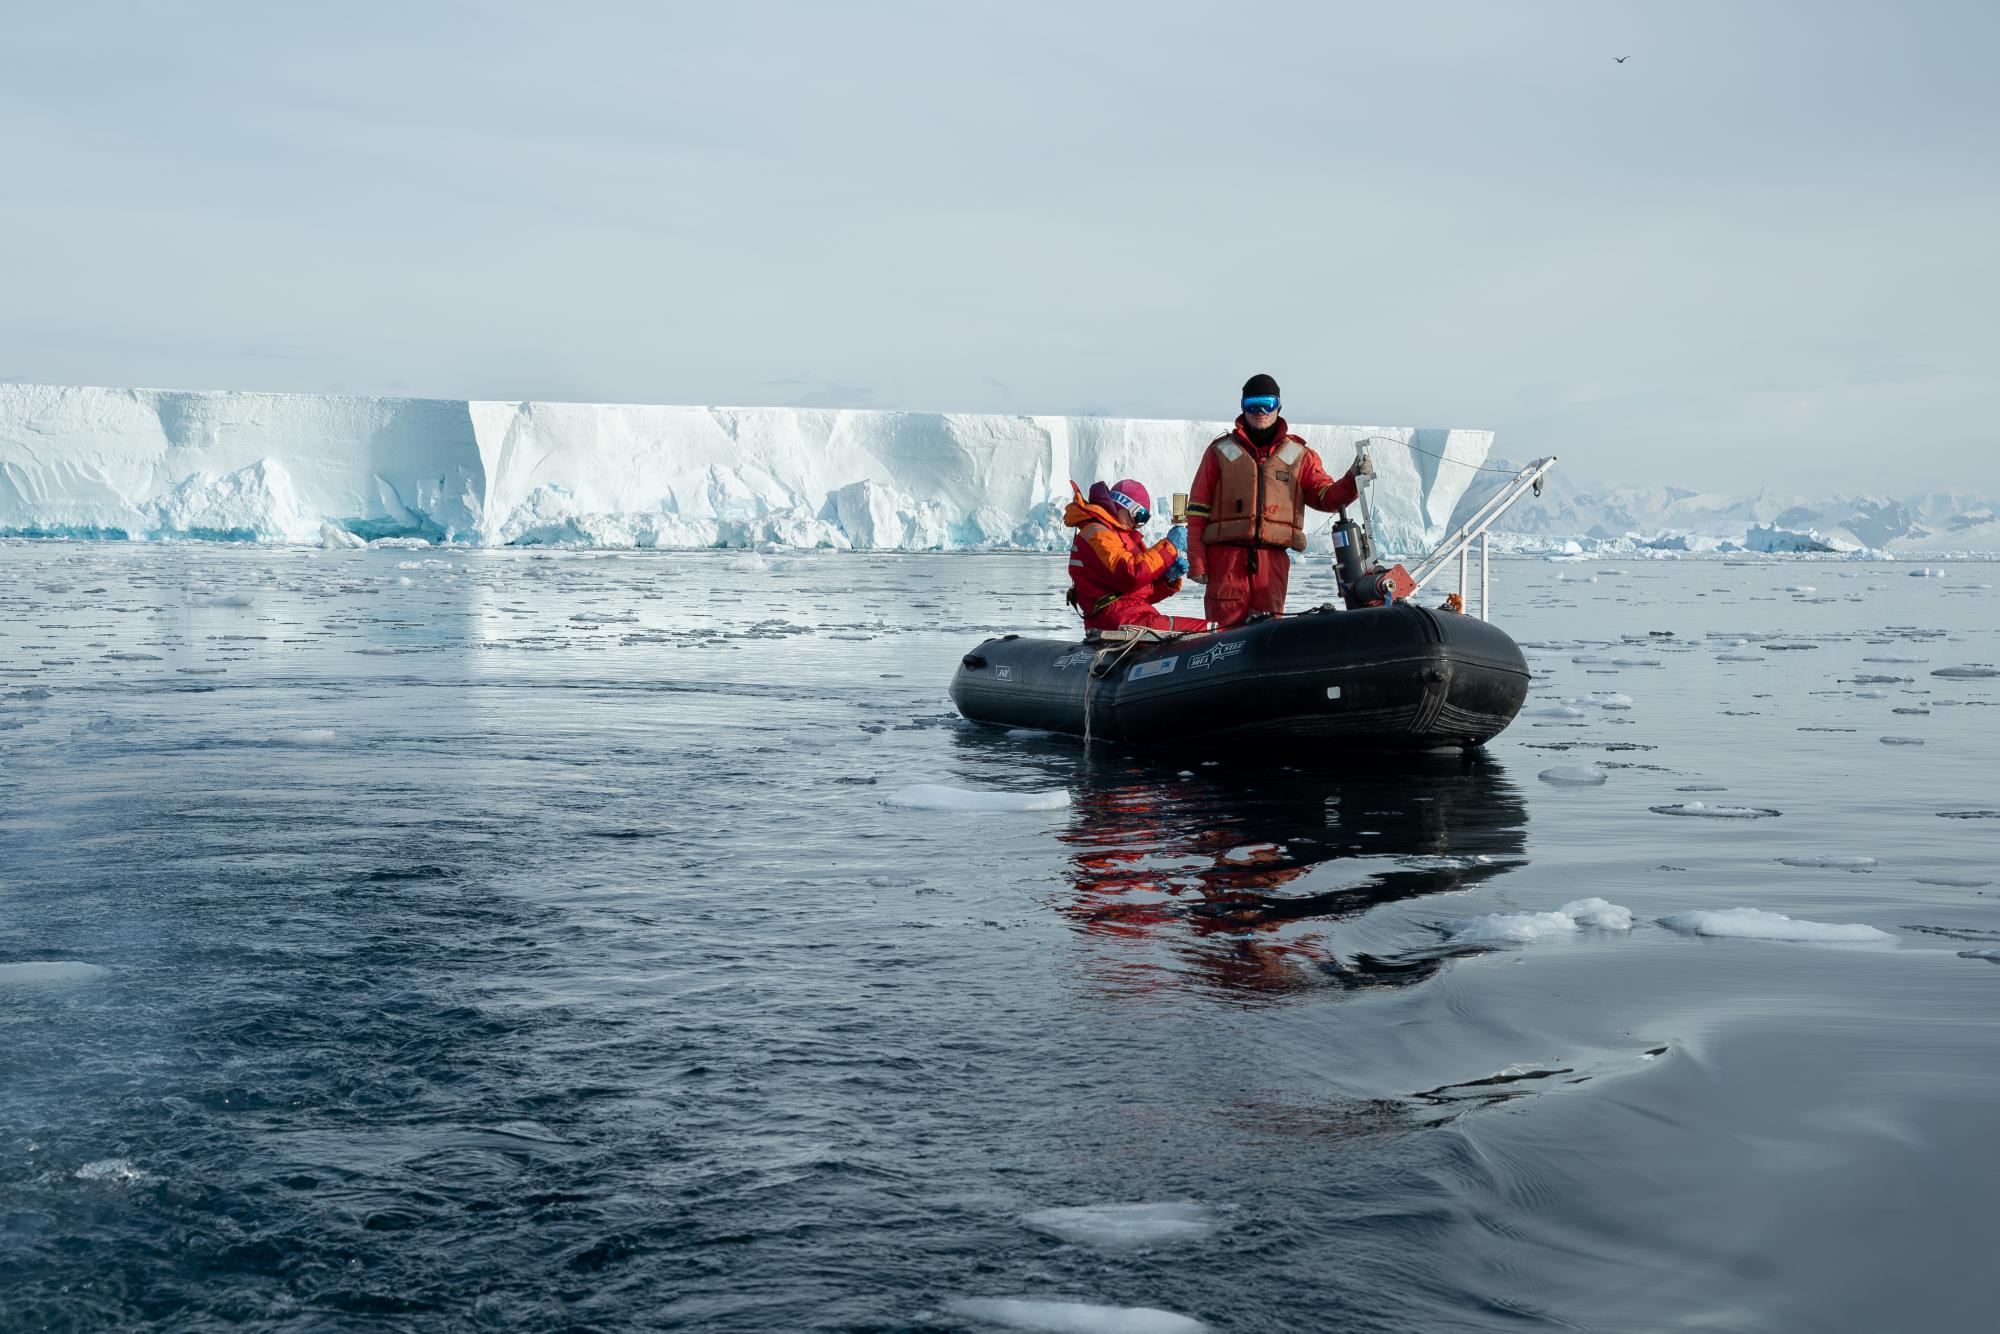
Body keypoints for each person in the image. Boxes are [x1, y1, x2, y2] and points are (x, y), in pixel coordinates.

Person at [1185, 373, 1374, 627]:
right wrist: (1197, 561)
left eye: (1268, 403)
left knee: (1269, 634)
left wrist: (1352, 478)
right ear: (1243, 408)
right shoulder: (1219, 452)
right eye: (1253, 404)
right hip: (1226, 562)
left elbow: (1325, 497)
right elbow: (1198, 510)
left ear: (1279, 407)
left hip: (1272, 563)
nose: (1260, 411)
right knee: (1224, 636)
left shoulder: (1298, 455)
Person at [1063, 478, 1209, 633]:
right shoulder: (1098, 534)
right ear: (1121, 504)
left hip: (1130, 618)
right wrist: (1169, 547)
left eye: (1144, 519)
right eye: (1139, 515)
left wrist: (1166, 578)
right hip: (1118, 620)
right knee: (1211, 630)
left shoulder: (1121, 536)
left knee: (1211, 628)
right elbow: (1130, 575)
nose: (1138, 524)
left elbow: (1137, 595)